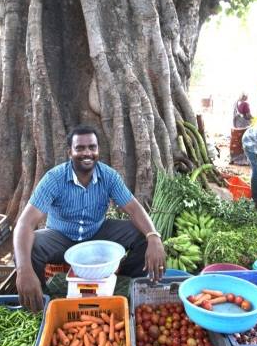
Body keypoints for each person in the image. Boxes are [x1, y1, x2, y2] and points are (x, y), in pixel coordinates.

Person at [14, 125, 167, 312]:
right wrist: (23, 270)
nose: (87, 153)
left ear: (98, 150)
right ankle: (40, 300)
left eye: (92, 147)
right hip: (61, 237)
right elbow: (25, 223)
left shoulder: (109, 176)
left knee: (142, 235)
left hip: (97, 234)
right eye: (79, 148)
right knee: (30, 246)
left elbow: (134, 209)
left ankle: (125, 282)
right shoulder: (54, 178)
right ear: (69, 152)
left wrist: (153, 236)